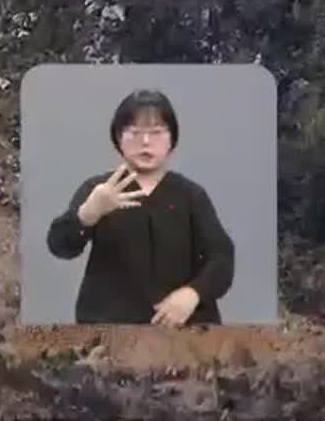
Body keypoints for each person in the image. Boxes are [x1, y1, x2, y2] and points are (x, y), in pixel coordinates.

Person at [46, 88, 235, 325]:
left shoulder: (190, 195)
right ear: (118, 139)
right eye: (134, 133)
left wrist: (193, 294)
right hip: (108, 331)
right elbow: (60, 246)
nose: (145, 142)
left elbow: (222, 258)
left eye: (156, 132)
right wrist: (87, 214)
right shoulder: (99, 188)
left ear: (171, 140)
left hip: (185, 330)